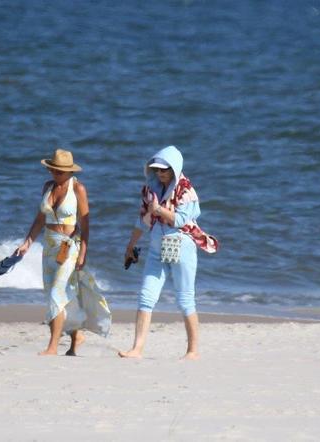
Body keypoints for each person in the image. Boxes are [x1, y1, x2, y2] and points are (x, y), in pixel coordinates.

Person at [119, 145, 218, 360]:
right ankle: (137, 349)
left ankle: (193, 351)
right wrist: (130, 245)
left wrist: (159, 210)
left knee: (185, 299)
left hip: (181, 245)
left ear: (174, 168)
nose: (161, 173)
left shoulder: (186, 190)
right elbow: (143, 221)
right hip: (156, 245)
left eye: (165, 169)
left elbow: (181, 220)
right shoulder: (149, 189)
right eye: (157, 169)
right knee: (146, 296)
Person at [16, 148, 111, 356]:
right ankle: (75, 340)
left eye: (59, 172)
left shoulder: (78, 189)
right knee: (57, 296)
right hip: (49, 246)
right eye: (53, 170)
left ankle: (52, 347)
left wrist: (83, 253)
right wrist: (27, 242)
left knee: (56, 294)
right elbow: (40, 219)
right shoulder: (48, 187)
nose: (55, 174)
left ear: (69, 172)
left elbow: (85, 225)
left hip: (69, 247)